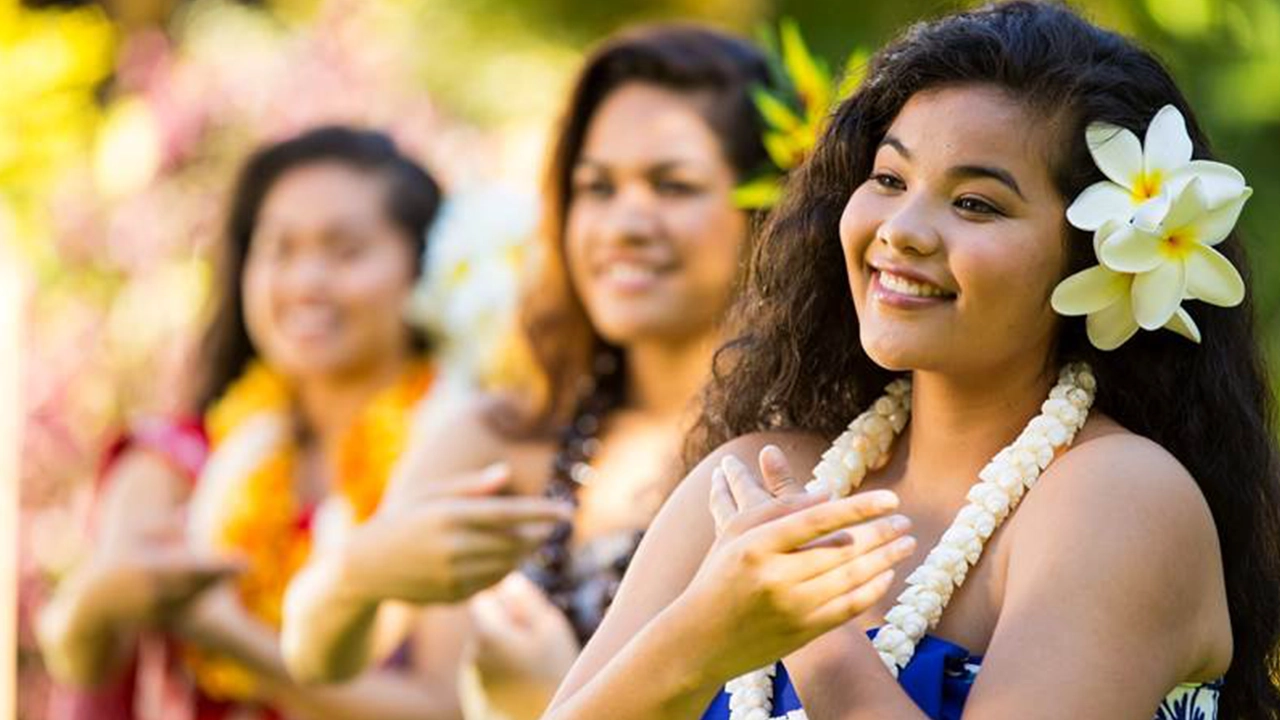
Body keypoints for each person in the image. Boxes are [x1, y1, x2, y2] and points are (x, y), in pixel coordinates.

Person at [542, 3, 1280, 719]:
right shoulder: (758, 478)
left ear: (1097, 255)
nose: (901, 231)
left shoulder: (1118, 498)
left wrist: (816, 636)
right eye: (890, 180)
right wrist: (704, 633)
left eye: (976, 204)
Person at [281, 24, 775, 720]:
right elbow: (315, 656)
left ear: (773, 213)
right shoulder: (504, 433)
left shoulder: (803, 459)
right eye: (596, 187)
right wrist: (357, 576)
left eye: (673, 185)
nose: (625, 223)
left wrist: (545, 699)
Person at [35, 126, 558, 720]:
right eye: (280, 249)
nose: (306, 282)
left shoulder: (460, 458)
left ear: (423, 268)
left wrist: (226, 633)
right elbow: (80, 660)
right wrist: (100, 601)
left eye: (346, 251)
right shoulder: (176, 460)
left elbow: (443, 707)